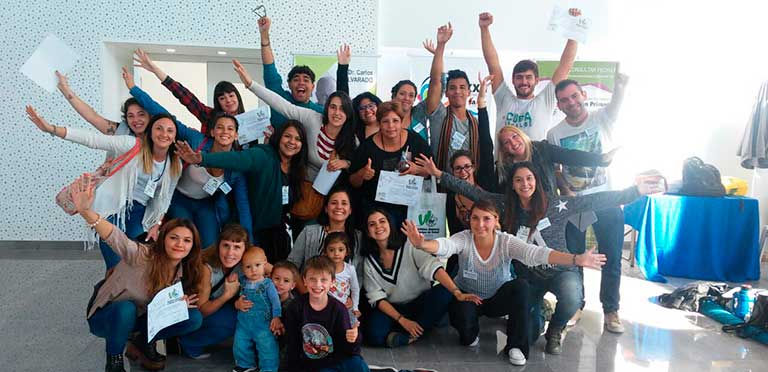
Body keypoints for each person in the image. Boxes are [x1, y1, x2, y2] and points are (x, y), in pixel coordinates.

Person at [426, 159, 661, 354]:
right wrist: (438, 174)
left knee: (571, 296)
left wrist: (634, 191)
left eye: (529, 178)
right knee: (528, 334)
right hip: (528, 276)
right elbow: (472, 191)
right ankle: (540, 315)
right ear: (513, 185)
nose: (524, 183)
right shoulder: (505, 204)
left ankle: (557, 327)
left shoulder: (556, 203)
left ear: (536, 181)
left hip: (560, 269)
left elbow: (594, 200)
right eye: (518, 180)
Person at [400, 199, 607, 366]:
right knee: (466, 336)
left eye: (486, 219)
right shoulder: (463, 238)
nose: (480, 224)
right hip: (469, 298)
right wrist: (423, 244)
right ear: (469, 220)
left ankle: (516, 346)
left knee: (521, 286)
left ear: (496, 220)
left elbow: (536, 253)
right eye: (475, 218)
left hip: (499, 298)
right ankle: (470, 333)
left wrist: (575, 259)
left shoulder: (505, 241)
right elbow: (445, 246)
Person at [69, 175, 202, 372]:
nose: (179, 245)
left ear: (192, 246)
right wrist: (86, 211)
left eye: (186, 241)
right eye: (174, 238)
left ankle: (143, 342)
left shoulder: (182, 271)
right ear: (163, 239)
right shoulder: (141, 254)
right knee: (126, 309)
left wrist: (176, 305)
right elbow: (114, 236)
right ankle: (114, 360)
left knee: (193, 317)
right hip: (109, 316)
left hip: (141, 318)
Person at [26, 107, 182, 269]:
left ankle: (126, 291)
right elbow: (92, 140)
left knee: (139, 259)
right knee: (115, 263)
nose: (164, 134)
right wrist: (51, 129)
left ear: (174, 136)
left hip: (139, 213)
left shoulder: (174, 164)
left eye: (170, 130)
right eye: (159, 128)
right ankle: (110, 291)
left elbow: (165, 197)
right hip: (113, 209)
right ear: (150, 132)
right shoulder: (133, 145)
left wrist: (156, 223)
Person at [124, 70, 254, 247]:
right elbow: (165, 116)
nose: (225, 132)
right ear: (212, 131)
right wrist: (134, 89)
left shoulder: (235, 166)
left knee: (209, 244)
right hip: (179, 198)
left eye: (230, 129)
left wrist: (250, 244)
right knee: (182, 239)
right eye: (220, 127)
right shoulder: (197, 140)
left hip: (205, 204)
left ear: (237, 135)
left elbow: (243, 206)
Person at [547, 74, 630, 334]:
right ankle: (576, 305)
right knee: (575, 257)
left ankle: (611, 309)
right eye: (564, 100)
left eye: (574, 96)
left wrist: (620, 86)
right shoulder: (555, 133)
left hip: (608, 199)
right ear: (558, 105)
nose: (571, 102)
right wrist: (566, 188)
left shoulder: (602, 118)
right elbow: (557, 169)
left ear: (583, 95)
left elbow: (617, 103)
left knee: (611, 257)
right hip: (576, 205)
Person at [175, 120, 308, 263]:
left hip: (277, 233)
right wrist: (202, 158)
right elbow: (237, 158)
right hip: (251, 229)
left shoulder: (297, 168)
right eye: (287, 136)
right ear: (279, 136)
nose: (292, 142)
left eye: (297, 139)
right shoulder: (264, 155)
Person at [233, 59, 357, 185]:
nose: (337, 113)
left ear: (348, 113)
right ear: (326, 108)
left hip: (335, 193)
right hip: (305, 187)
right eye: (333, 107)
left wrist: (346, 163)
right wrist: (251, 84)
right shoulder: (313, 118)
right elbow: (283, 105)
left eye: (342, 109)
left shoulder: (352, 138)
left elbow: (358, 163)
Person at [479, 10, 579, 140]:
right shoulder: (504, 99)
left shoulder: (545, 101)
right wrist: (484, 28)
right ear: (513, 80)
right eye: (519, 77)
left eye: (528, 77)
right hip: (503, 161)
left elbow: (565, 65)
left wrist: (574, 26)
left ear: (537, 80)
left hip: (536, 161)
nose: (524, 82)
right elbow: (492, 63)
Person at [361, 209, 453, 348]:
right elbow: (377, 298)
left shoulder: (408, 245)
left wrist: (456, 291)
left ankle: (413, 331)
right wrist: (402, 319)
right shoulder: (369, 261)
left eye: (382, 221)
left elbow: (432, 267)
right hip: (394, 309)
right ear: (368, 232)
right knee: (373, 333)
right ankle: (408, 333)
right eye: (372, 224)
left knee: (444, 292)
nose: (378, 226)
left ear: (390, 225)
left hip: (420, 302)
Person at [349, 102, 432, 228]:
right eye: (385, 121)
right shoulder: (367, 147)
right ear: (379, 124)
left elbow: (431, 173)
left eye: (395, 121)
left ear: (401, 122)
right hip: (377, 212)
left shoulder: (416, 141)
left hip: (410, 210)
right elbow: (352, 182)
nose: (391, 126)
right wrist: (362, 174)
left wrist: (417, 170)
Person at [257, 16, 350, 128]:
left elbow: (343, 103)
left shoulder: (320, 112)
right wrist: (264, 37)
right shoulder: (280, 99)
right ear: (289, 84)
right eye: (296, 79)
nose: (301, 82)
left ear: (312, 86)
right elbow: (269, 70)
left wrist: (343, 67)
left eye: (306, 80)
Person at [284, 256, 369, 372]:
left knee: (358, 365)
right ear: (304, 280)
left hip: (339, 358)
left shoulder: (339, 309)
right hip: (315, 364)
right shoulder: (295, 308)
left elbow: (351, 350)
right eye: (312, 279)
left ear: (332, 282)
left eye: (323, 280)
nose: (318, 285)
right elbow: (292, 345)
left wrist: (354, 338)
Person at [133, 48, 245, 136]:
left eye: (231, 95)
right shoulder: (209, 116)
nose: (228, 100)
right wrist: (155, 69)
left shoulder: (249, 119)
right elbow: (182, 94)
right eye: (222, 98)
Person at [177, 224, 250, 359]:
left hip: (209, 310)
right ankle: (187, 343)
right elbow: (202, 310)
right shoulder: (207, 267)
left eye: (237, 247)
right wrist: (227, 295)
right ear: (218, 246)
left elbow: (273, 269)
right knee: (234, 319)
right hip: (188, 313)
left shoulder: (246, 261)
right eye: (226, 245)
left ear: (245, 249)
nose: (230, 253)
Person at [423, 23, 481, 171]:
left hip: (469, 188)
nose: (457, 92)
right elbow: (436, 80)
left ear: (469, 92)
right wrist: (441, 45)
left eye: (462, 88)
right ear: (446, 92)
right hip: (442, 187)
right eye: (452, 88)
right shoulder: (439, 114)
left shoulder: (475, 123)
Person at [288, 187, 363, 282]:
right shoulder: (309, 232)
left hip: (344, 295)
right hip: (309, 291)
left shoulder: (358, 237)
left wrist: (352, 296)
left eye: (344, 203)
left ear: (350, 210)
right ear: (326, 208)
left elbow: (359, 274)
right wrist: (305, 292)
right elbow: (291, 266)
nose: (339, 207)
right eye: (334, 203)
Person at [55, 71, 148, 140]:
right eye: (130, 116)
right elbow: (92, 117)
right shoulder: (122, 131)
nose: (136, 120)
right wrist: (65, 89)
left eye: (141, 114)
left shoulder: (158, 136)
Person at [233, 246, 282, 372]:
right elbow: (237, 298)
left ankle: (269, 368)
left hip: (263, 324)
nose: (253, 270)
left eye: (257, 265)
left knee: (267, 346)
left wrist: (277, 317)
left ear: (265, 262)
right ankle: (246, 364)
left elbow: (275, 302)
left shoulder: (267, 284)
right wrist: (237, 304)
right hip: (244, 323)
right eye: (248, 267)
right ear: (242, 268)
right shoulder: (242, 282)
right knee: (240, 344)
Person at [323, 232, 361, 323]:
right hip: (327, 307)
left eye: (340, 250)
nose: (336, 253)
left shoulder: (350, 269)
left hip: (346, 306)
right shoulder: (323, 270)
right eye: (331, 250)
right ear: (325, 252)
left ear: (347, 252)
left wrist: (355, 307)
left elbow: (355, 289)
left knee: (352, 326)